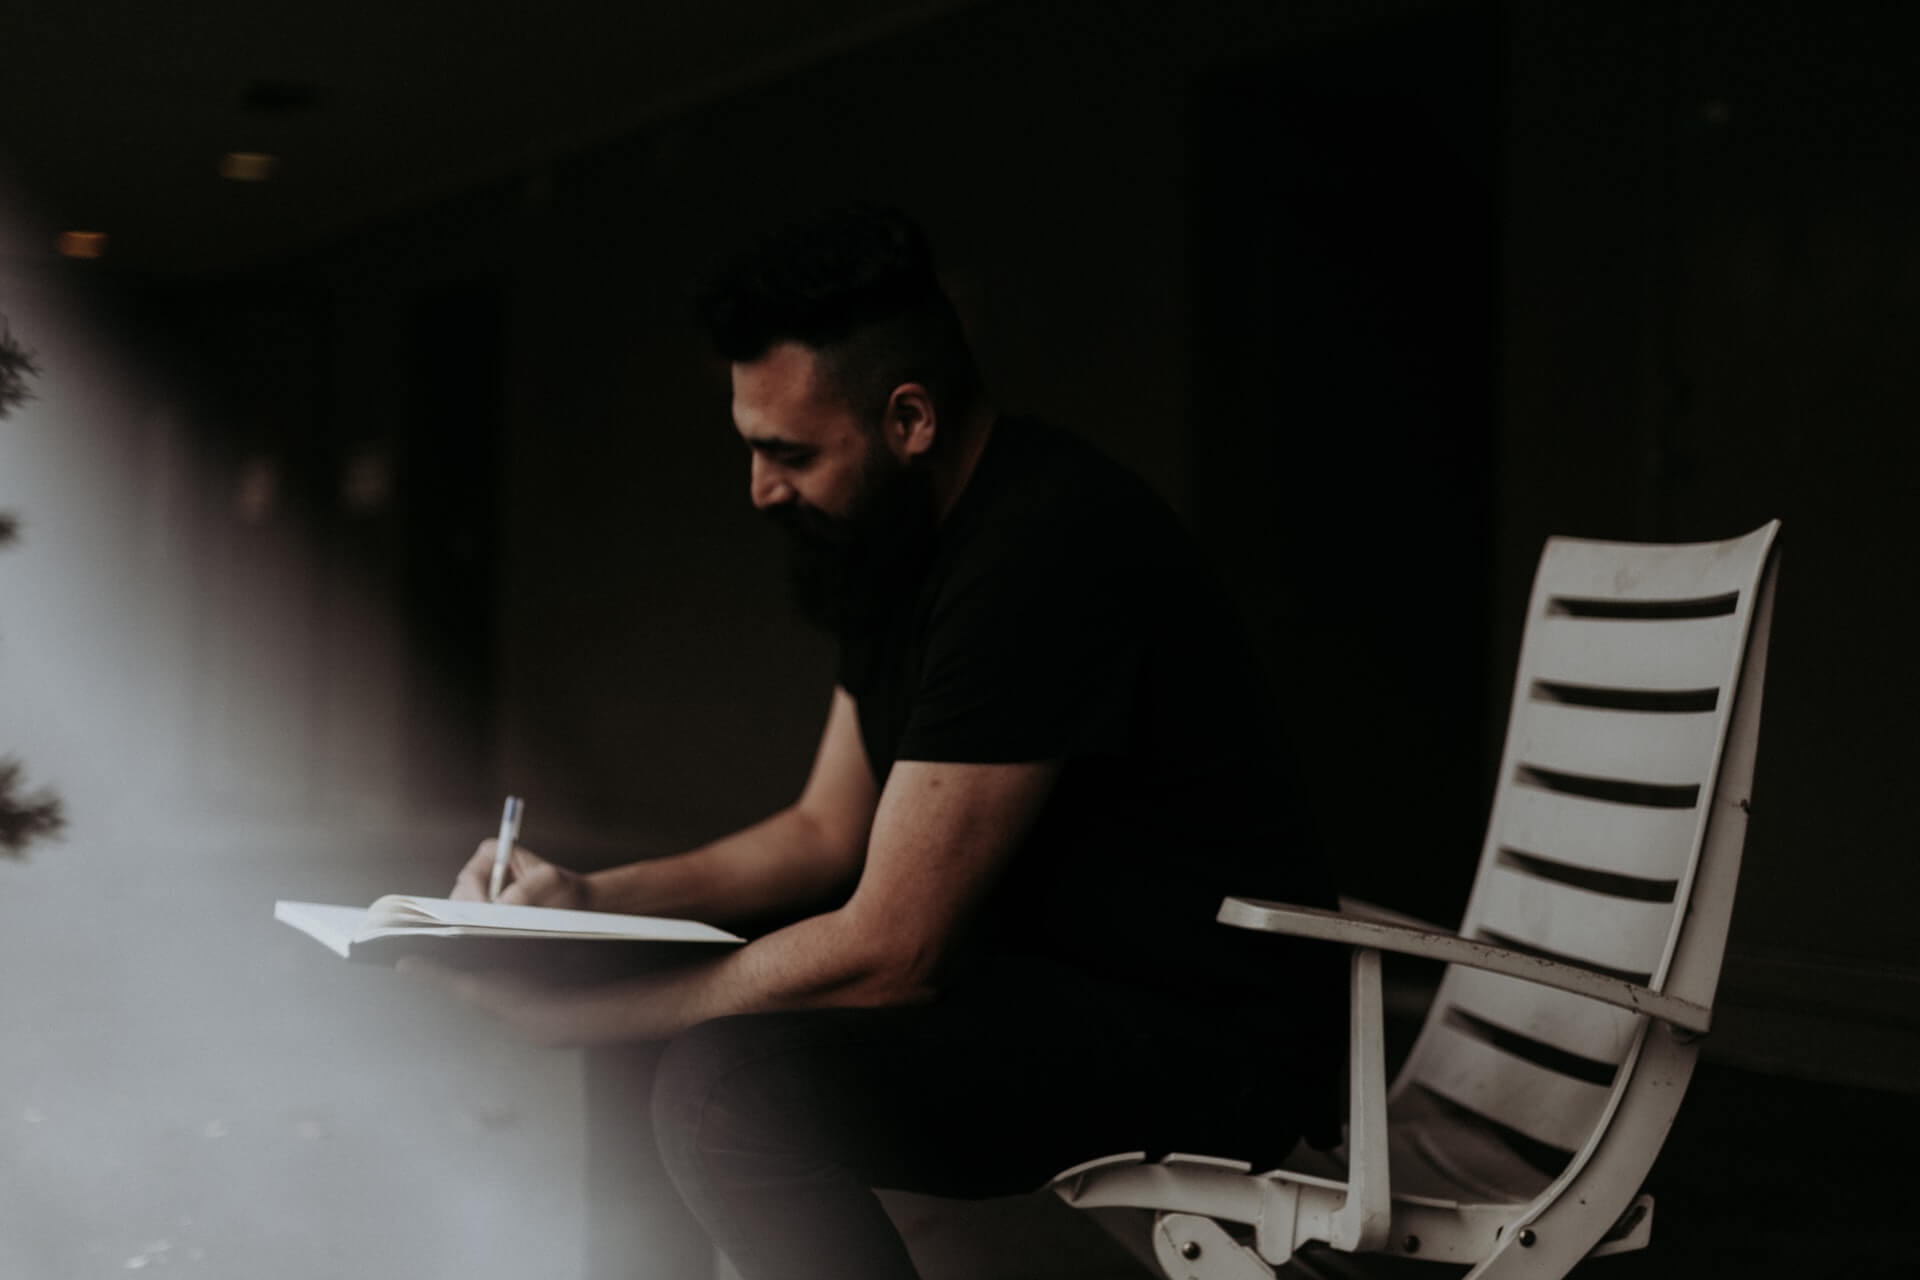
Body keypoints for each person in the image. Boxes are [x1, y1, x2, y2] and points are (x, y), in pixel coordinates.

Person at [419, 205, 1346, 1280]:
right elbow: (823, 829)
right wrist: (593, 902)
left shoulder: (1043, 548)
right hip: (1047, 979)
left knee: (729, 1092)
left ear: (910, 417)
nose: (761, 487)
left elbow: (891, 952)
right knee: (672, 959)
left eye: (790, 452)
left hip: (1205, 1036)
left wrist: (590, 1017)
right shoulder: (887, 541)